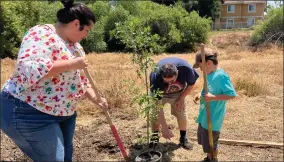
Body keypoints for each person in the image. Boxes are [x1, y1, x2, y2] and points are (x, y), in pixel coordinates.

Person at [0, 0, 108, 161]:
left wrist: (96, 98)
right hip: (29, 111)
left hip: (64, 112)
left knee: (66, 158)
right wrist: (71, 64)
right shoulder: (40, 34)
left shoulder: (75, 46)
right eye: (87, 30)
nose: (87, 35)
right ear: (76, 23)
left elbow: (82, 80)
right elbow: (28, 70)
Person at [193, 48, 237, 162]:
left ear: (209, 63)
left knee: (211, 143)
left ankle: (213, 159)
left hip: (214, 117)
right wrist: (200, 94)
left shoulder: (221, 76)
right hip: (204, 116)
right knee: (205, 142)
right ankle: (208, 157)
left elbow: (231, 94)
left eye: (201, 67)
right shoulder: (209, 74)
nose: (201, 70)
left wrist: (213, 98)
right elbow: (207, 91)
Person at [149, 57, 199, 150]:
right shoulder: (155, 76)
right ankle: (154, 137)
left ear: (177, 74)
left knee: (181, 111)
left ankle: (183, 138)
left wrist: (182, 98)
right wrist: (164, 128)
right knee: (155, 114)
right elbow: (158, 108)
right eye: (166, 81)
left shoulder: (186, 68)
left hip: (178, 92)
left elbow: (191, 84)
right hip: (160, 93)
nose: (169, 84)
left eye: (172, 81)